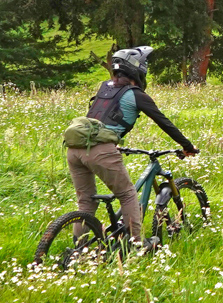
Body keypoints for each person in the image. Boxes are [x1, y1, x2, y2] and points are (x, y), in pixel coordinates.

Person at [65, 47, 197, 246]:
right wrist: (187, 146)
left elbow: (101, 119)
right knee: (127, 194)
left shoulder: (105, 87)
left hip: (75, 148)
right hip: (100, 150)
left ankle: (79, 250)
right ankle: (136, 244)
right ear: (138, 69)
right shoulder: (136, 94)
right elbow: (164, 122)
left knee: (86, 201)